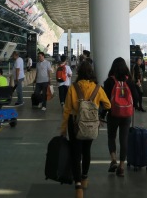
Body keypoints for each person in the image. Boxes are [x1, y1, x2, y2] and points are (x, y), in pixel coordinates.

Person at [60, 61, 110, 198]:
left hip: (75, 124)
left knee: (76, 154)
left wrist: (63, 128)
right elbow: (108, 104)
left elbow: (67, 110)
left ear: (79, 73)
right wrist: (96, 111)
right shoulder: (97, 89)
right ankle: (85, 178)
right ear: (91, 73)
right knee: (87, 151)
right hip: (91, 125)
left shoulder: (73, 88)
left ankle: (78, 187)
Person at [103, 57, 138, 177]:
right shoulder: (130, 81)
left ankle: (113, 159)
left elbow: (105, 100)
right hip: (126, 115)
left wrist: (104, 113)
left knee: (111, 137)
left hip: (113, 114)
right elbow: (136, 98)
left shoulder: (109, 81)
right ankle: (122, 167)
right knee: (124, 140)